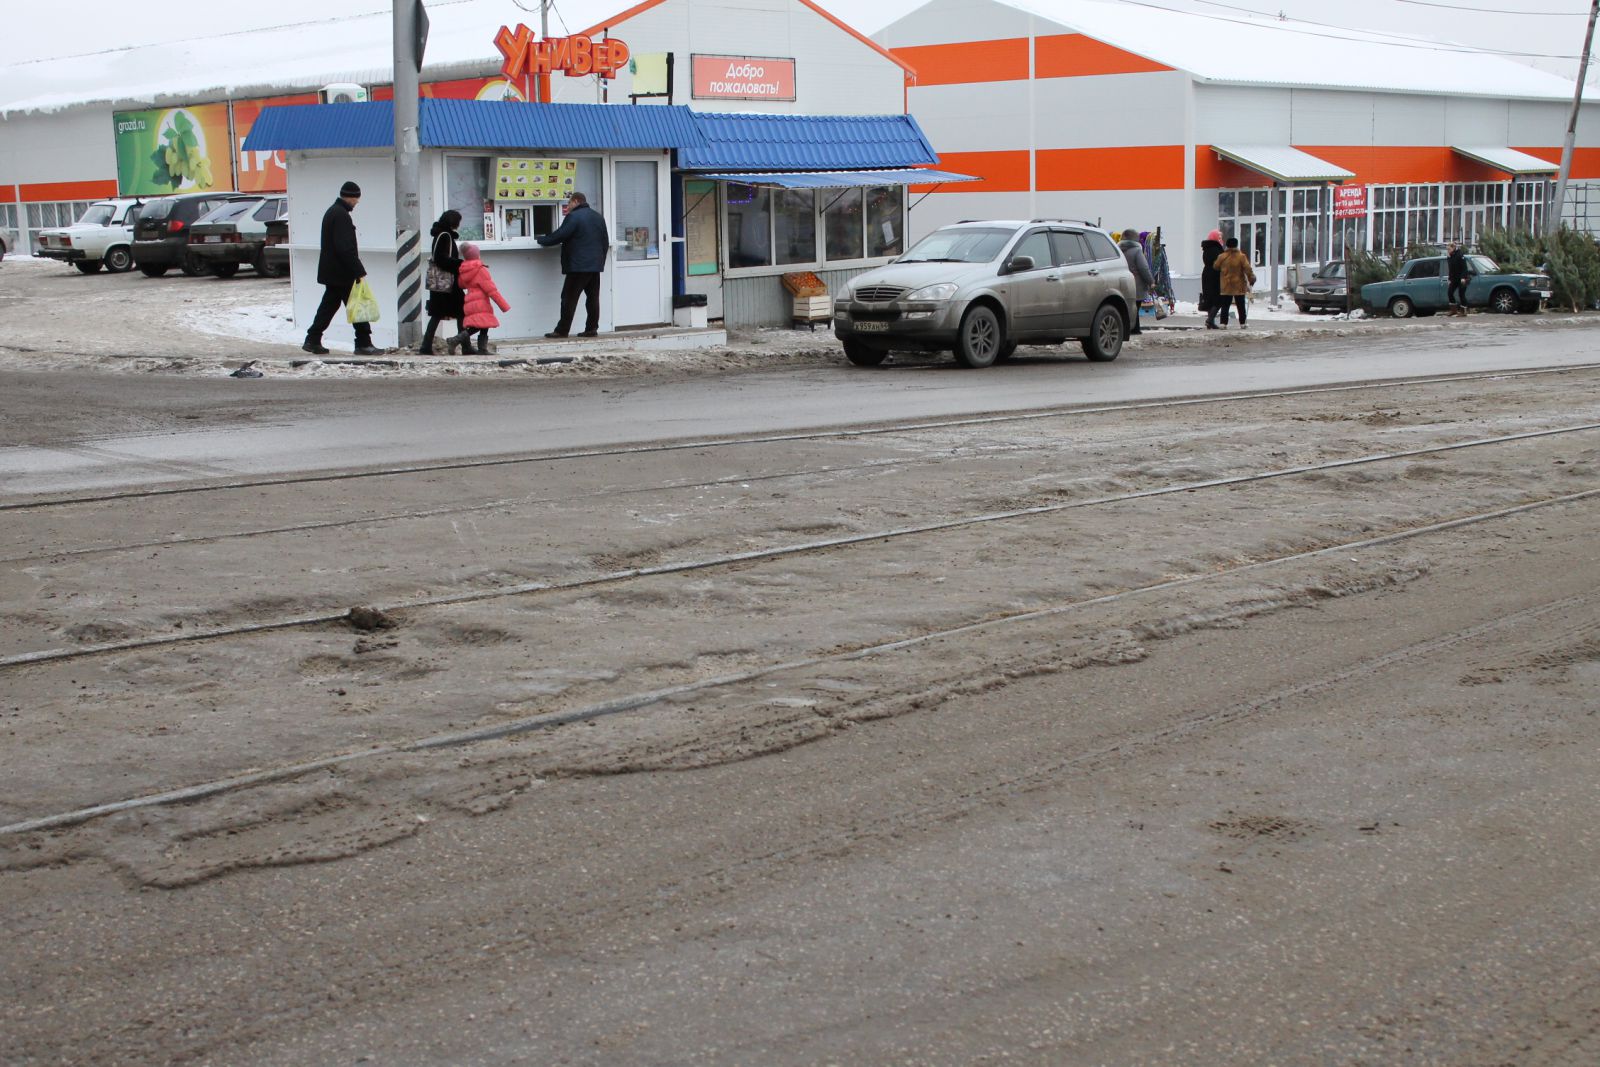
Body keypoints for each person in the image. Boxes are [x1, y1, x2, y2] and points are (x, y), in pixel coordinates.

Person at [303, 180, 379, 355]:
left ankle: (313, 339)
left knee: (329, 307)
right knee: (357, 305)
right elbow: (345, 247)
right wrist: (358, 270)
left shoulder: (333, 212)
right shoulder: (341, 215)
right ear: (350, 197)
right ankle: (363, 343)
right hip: (342, 272)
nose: (357, 202)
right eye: (356, 198)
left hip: (334, 271)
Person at [536, 191, 609, 338]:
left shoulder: (574, 217)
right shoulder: (598, 217)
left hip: (578, 266)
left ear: (576, 201)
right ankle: (591, 329)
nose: (567, 206)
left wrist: (541, 240)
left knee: (568, 298)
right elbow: (604, 241)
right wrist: (600, 261)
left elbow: (560, 235)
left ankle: (562, 330)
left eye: (569, 203)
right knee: (592, 298)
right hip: (594, 266)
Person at [448, 243, 510, 355]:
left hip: (470, 301)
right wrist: (503, 305)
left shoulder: (464, 269)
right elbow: (491, 290)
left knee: (483, 324)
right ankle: (456, 340)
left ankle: (482, 349)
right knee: (478, 325)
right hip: (480, 301)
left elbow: (461, 284)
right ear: (476, 255)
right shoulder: (480, 269)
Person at [419, 209, 464, 354]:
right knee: (461, 311)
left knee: (437, 313)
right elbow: (441, 259)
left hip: (439, 283)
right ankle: (465, 345)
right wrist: (460, 263)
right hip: (447, 281)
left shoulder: (440, 234)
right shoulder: (445, 236)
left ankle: (426, 346)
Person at [1118, 228, 1155, 335]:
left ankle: (1128, 328)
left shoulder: (1117, 250)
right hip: (1136, 285)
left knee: (1126, 307)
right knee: (1135, 307)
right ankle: (1134, 329)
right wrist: (1151, 281)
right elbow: (1144, 268)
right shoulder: (1137, 251)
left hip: (1122, 283)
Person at [1214, 236, 1256, 328]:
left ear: (1227, 245)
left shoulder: (1222, 256)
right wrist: (1251, 278)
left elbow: (1216, 266)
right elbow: (1247, 269)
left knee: (1225, 305)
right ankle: (1243, 323)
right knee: (1241, 305)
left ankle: (1223, 323)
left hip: (1226, 284)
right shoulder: (1241, 256)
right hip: (1239, 284)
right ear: (1236, 245)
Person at [1200, 228, 1225, 329]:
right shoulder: (1216, 248)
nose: (1221, 239)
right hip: (1215, 275)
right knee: (1219, 299)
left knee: (1209, 298)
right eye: (1219, 237)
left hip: (1206, 274)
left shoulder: (1207, 248)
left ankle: (1211, 321)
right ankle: (1210, 319)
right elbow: (1219, 262)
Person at [1447, 241, 1470, 316]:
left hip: (1462, 278)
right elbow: (1451, 269)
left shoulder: (1460, 255)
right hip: (1454, 278)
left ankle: (1463, 311)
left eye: (1449, 249)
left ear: (1453, 248)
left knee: (1461, 294)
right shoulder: (1449, 256)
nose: (1448, 251)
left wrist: (1463, 277)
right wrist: (1449, 279)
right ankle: (1453, 310)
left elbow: (1464, 268)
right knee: (1450, 292)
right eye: (1447, 249)